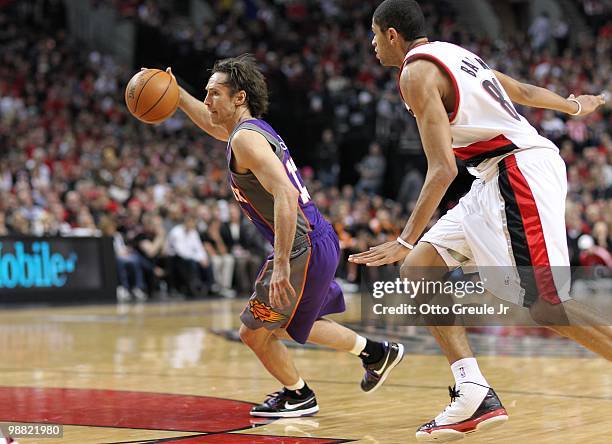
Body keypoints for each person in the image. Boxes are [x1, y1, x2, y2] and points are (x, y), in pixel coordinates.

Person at [349, 0, 610, 441]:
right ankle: (474, 392)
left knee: (547, 306)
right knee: (420, 270)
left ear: (392, 35)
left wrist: (407, 237)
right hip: (494, 174)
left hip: (517, 169)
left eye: (375, 36)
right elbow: (523, 92)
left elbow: (442, 169)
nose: (373, 46)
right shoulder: (458, 54)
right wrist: (573, 107)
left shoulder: (414, 73)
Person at [170, 55, 404, 418]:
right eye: (205, 93)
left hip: (300, 246)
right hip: (316, 237)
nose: (207, 100)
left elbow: (285, 193)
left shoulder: (246, 139)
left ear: (239, 97)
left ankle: (299, 395)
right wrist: (178, 95)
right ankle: (376, 353)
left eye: (214, 93)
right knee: (290, 326)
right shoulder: (248, 131)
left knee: (254, 332)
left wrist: (280, 264)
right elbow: (213, 125)